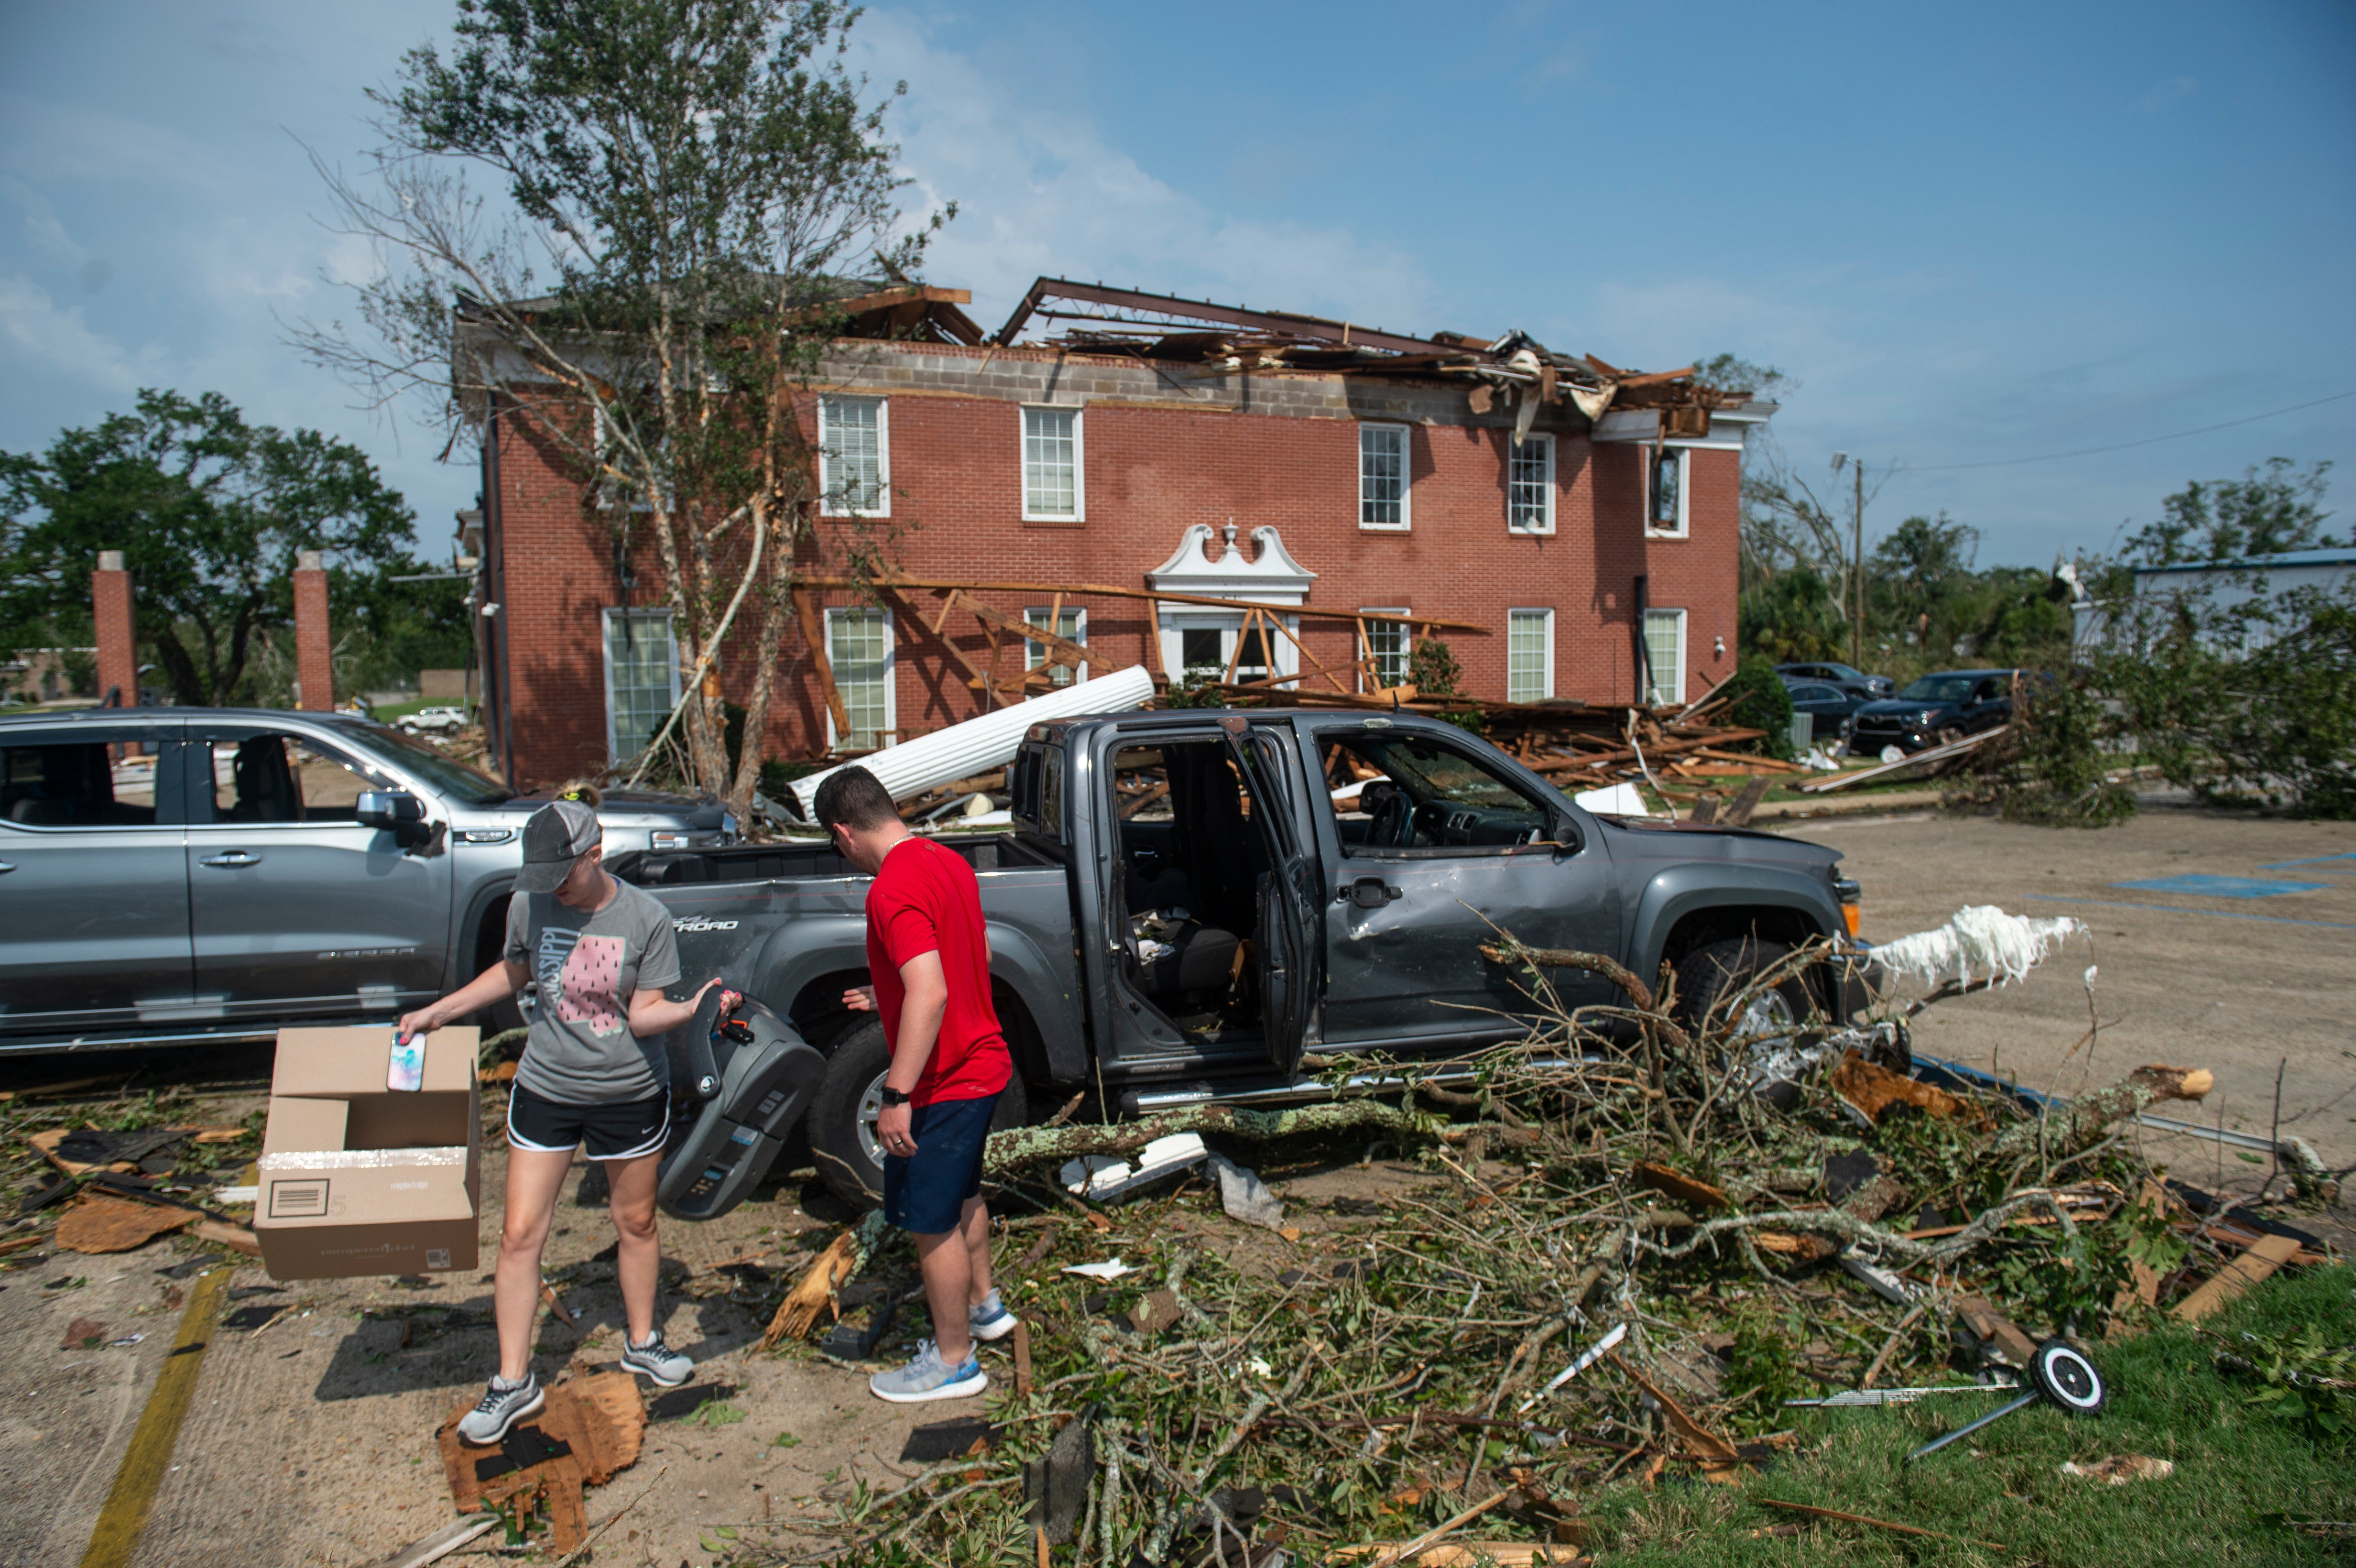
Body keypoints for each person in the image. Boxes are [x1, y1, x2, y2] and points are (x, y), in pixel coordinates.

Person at [398, 785, 720, 1445]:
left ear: (595, 855)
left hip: (628, 1091)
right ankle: (513, 1382)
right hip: (546, 1087)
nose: (553, 891)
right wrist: (439, 1011)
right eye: (542, 877)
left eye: (562, 876)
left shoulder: (645, 918)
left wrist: (692, 1011)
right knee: (519, 1234)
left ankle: (642, 1342)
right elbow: (513, 975)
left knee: (635, 1221)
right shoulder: (530, 902)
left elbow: (643, 1015)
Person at [816, 766, 1018, 1403]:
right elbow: (969, 958)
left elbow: (930, 991)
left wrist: (895, 1096)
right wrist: (891, 995)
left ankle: (954, 1362)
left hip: (946, 1081)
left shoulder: (890, 889)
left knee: (931, 1222)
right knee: (961, 1196)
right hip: (984, 1063)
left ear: (844, 832)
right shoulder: (945, 861)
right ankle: (984, 1308)